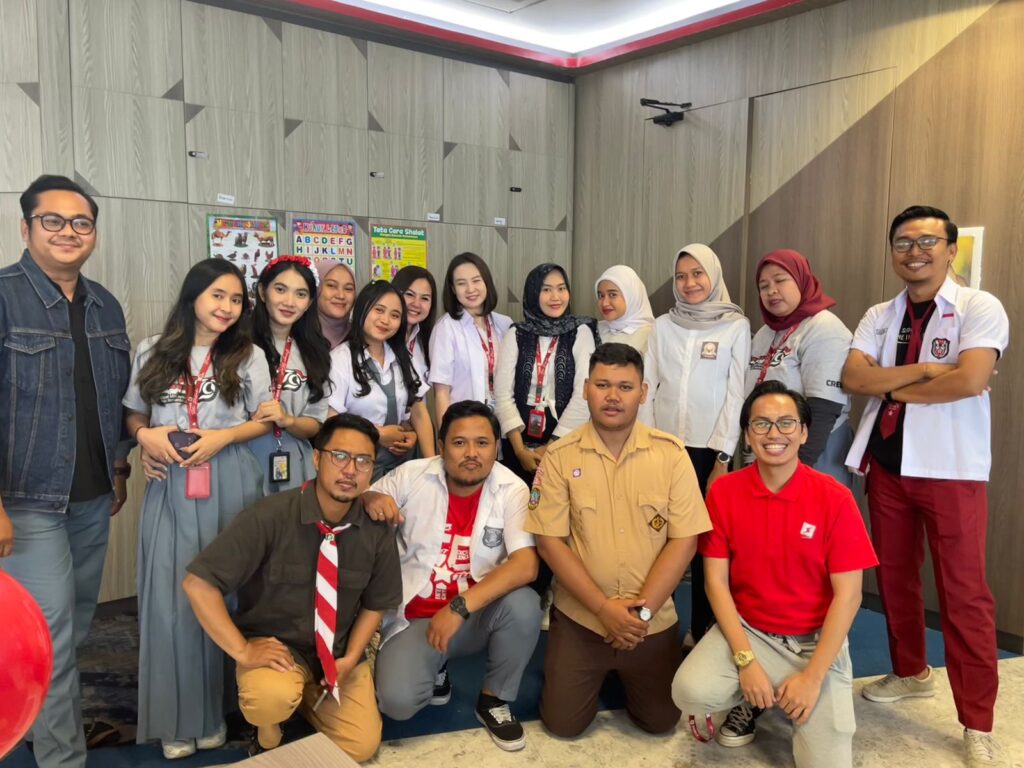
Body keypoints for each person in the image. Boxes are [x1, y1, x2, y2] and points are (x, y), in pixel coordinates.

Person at [842, 205, 1009, 767]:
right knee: (894, 579)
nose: (914, 251)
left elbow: (970, 379)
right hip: (888, 466)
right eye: (903, 242)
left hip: (951, 471)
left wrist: (890, 387)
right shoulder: (880, 314)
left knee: (964, 594)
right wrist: (923, 372)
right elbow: (854, 377)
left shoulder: (978, 307)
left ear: (950, 249)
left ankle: (977, 722)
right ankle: (911, 670)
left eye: (927, 241)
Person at [672, 381, 877, 766]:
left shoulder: (834, 497)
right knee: (690, 691)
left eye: (786, 423)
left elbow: (849, 596)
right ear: (748, 435)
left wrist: (812, 678)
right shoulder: (725, 492)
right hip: (752, 631)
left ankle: (790, 694)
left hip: (815, 642)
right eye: (761, 424)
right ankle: (752, 697)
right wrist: (746, 663)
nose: (774, 434)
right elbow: (715, 583)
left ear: (803, 432)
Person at [0, 175, 132, 768]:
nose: (68, 232)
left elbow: (116, 396)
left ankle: (37, 726)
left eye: (81, 223)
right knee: (50, 637)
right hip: (26, 499)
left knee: (74, 628)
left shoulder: (105, 303)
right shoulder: (4, 296)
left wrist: (120, 467)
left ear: (93, 235)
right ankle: (62, 758)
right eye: (51, 220)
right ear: (25, 227)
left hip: (93, 496)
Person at [182, 414, 402, 761]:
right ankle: (269, 730)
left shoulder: (376, 528)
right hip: (279, 651)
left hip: (338, 653)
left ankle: (305, 701)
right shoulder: (270, 515)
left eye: (363, 461)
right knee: (268, 699)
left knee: (360, 746)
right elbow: (197, 583)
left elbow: (376, 603)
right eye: (339, 456)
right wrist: (243, 650)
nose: (350, 470)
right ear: (316, 459)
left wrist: (349, 658)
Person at [124, 259, 272, 759]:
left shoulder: (249, 355)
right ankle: (176, 720)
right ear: (193, 297)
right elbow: (134, 413)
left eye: (236, 299)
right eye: (217, 295)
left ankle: (217, 713)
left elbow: (265, 420)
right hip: (171, 480)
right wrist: (144, 437)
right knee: (170, 599)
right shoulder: (152, 349)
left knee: (225, 595)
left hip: (230, 477)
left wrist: (223, 437)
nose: (227, 307)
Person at [525, 343, 711, 737]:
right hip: (582, 618)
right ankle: (595, 667)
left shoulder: (671, 455)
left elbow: (685, 541)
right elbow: (550, 543)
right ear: (585, 390)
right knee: (563, 724)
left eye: (625, 387)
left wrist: (639, 616)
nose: (613, 396)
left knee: (661, 721)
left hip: (650, 621)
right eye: (602, 385)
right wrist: (603, 609)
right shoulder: (559, 456)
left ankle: (623, 667)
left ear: (642, 393)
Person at [365, 400, 542, 751]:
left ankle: (493, 699)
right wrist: (369, 497)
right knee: (397, 703)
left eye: (482, 443)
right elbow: (366, 495)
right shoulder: (413, 475)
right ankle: (437, 667)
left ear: (496, 447)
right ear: (441, 446)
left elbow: (526, 565)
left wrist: (458, 607)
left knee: (525, 605)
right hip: (416, 617)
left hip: (474, 613)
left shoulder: (512, 489)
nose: (471, 453)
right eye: (459, 443)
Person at [639, 243, 749, 645]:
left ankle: (701, 630)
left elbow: (736, 395)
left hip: (709, 451)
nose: (689, 283)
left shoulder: (735, 326)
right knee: (660, 539)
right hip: (665, 448)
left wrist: (722, 458)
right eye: (681, 276)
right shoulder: (663, 326)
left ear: (713, 275)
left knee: (707, 545)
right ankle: (656, 627)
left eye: (697, 274)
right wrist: (650, 443)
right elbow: (648, 388)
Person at [745, 250, 853, 486]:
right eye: (763, 286)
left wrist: (796, 472)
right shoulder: (765, 332)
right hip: (771, 449)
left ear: (801, 280)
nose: (771, 291)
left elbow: (824, 408)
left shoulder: (824, 327)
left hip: (815, 450)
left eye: (780, 280)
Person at [494, 263, 596, 485]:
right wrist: (520, 450)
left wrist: (550, 448)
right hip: (516, 439)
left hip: (566, 438)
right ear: (533, 293)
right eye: (546, 289)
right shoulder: (517, 333)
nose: (555, 297)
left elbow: (584, 394)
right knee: (519, 501)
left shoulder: (580, 332)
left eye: (561, 288)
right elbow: (502, 394)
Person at [328, 281, 435, 481]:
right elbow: (331, 422)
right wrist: (377, 434)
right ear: (362, 309)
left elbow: (418, 411)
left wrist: (431, 464)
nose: (385, 320)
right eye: (379, 310)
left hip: (402, 468)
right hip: (355, 468)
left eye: (395, 315)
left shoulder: (403, 357)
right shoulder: (340, 360)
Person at [250, 255, 331, 494]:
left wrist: (289, 420)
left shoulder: (315, 352)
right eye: (280, 289)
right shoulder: (236, 346)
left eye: (301, 294)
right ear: (262, 292)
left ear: (309, 302)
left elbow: (315, 423)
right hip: (243, 456)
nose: (289, 302)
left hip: (295, 460)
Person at [429, 252, 513, 425]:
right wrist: (447, 435)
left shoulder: (505, 324)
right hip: (464, 425)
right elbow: (441, 392)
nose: (470, 289)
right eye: (461, 283)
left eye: (476, 280)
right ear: (453, 289)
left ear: (486, 282)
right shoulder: (446, 328)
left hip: (503, 422)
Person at [390, 265, 436, 387]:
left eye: (424, 298)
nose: (416, 304)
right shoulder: (380, 339)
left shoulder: (427, 341)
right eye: (410, 294)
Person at [594, 264, 655, 354]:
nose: (604, 303)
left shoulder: (652, 336)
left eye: (612, 295)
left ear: (631, 296)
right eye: (601, 296)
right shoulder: (594, 330)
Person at [315, 259, 357, 350]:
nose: (341, 295)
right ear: (316, 288)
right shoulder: (296, 335)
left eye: (348, 288)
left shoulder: (360, 337)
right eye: (331, 285)